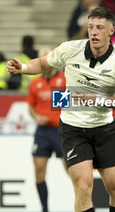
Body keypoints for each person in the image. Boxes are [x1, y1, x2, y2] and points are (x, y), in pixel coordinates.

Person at [7, 7, 115, 212]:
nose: (94, 32)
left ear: (112, 31)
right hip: (73, 129)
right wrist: (22, 68)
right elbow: (42, 63)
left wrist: (96, 100)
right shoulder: (70, 49)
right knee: (83, 187)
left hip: (104, 129)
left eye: (100, 28)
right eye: (91, 27)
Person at [28, 49, 66, 212]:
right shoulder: (35, 83)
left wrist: (53, 117)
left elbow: (66, 106)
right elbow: (31, 107)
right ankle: (44, 208)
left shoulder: (63, 79)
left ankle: (84, 202)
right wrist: (37, 117)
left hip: (61, 130)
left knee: (73, 171)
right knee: (39, 171)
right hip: (42, 131)